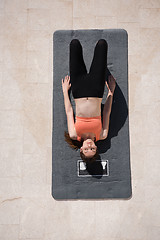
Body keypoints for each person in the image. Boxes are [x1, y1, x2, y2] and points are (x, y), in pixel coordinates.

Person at [62, 39, 116, 163]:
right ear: (96, 148)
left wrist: (65, 91)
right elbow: (106, 112)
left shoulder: (74, 135)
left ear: (81, 149)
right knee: (102, 44)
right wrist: (110, 93)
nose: (89, 146)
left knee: (74, 44)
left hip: (78, 89)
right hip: (96, 89)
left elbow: (69, 111)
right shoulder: (102, 135)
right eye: (92, 148)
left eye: (86, 149)